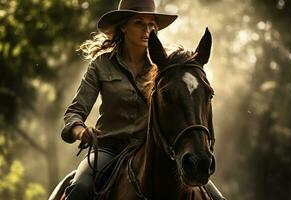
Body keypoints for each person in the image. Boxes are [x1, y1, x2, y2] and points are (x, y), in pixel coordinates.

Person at [61, 0, 225, 199]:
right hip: (108, 149)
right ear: (123, 26)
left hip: (154, 151)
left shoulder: (166, 67)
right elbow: (74, 113)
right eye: (139, 23)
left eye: (151, 25)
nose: (147, 30)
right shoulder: (101, 66)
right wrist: (81, 132)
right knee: (80, 188)